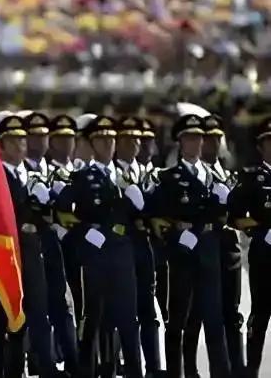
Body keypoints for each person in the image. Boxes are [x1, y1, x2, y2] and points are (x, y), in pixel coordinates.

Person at [55, 114, 144, 378]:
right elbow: (62, 210)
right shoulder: (83, 176)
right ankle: (88, 370)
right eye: (101, 140)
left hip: (122, 252)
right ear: (92, 144)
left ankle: (134, 371)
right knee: (93, 316)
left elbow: (141, 214)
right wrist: (86, 232)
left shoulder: (126, 176)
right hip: (95, 254)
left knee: (128, 318)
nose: (108, 144)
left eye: (111, 139)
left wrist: (137, 198)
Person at [150, 112, 232, 378]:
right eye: (190, 138)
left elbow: (223, 216)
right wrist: (177, 233)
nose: (195, 143)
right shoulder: (169, 177)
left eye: (199, 138)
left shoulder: (214, 176)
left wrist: (224, 202)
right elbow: (159, 214)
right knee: (179, 318)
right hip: (183, 251)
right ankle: (177, 371)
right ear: (180, 142)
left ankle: (217, 372)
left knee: (212, 317)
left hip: (208, 249)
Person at [0, 111, 58, 378]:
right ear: (0, 146)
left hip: (32, 252)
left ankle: (45, 368)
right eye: (13, 140)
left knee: (39, 314)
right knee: (6, 318)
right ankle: (2, 370)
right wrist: (31, 205)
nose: (21, 145)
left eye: (22, 139)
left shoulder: (32, 173)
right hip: (7, 255)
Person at [181, 114, 244, 378]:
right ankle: (190, 368)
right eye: (208, 138)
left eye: (218, 138)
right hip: (205, 247)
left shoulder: (227, 171)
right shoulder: (193, 174)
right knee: (196, 314)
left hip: (229, 249)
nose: (213, 143)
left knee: (232, 313)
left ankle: (236, 368)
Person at [24, 112, 78, 375]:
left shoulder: (54, 171)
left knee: (61, 304)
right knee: (37, 307)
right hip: (29, 243)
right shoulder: (23, 172)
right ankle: (43, 361)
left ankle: (73, 361)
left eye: (44, 136)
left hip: (52, 241)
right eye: (34, 136)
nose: (40, 141)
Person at [116, 116, 163, 375]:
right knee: (127, 311)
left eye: (137, 139)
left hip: (148, 246)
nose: (134, 143)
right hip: (124, 245)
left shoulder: (151, 173)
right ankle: (131, 367)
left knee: (148, 310)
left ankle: (154, 366)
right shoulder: (113, 172)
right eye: (127, 138)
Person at [228, 116, 271, 376]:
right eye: (269, 142)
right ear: (260, 146)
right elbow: (233, 215)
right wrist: (260, 229)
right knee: (261, 314)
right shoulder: (253, 178)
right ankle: (251, 369)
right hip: (265, 253)